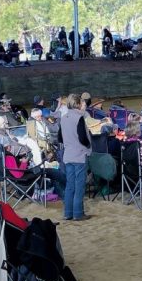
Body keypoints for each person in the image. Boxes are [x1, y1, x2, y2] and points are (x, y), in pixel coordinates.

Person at [58, 93, 91, 222]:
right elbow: (83, 137)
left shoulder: (64, 117)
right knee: (79, 186)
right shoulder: (79, 117)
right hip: (79, 154)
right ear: (78, 104)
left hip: (68, 155)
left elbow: (59, 137)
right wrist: (88, 145)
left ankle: (68, 213)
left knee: (69, 186)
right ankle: (78, 213)